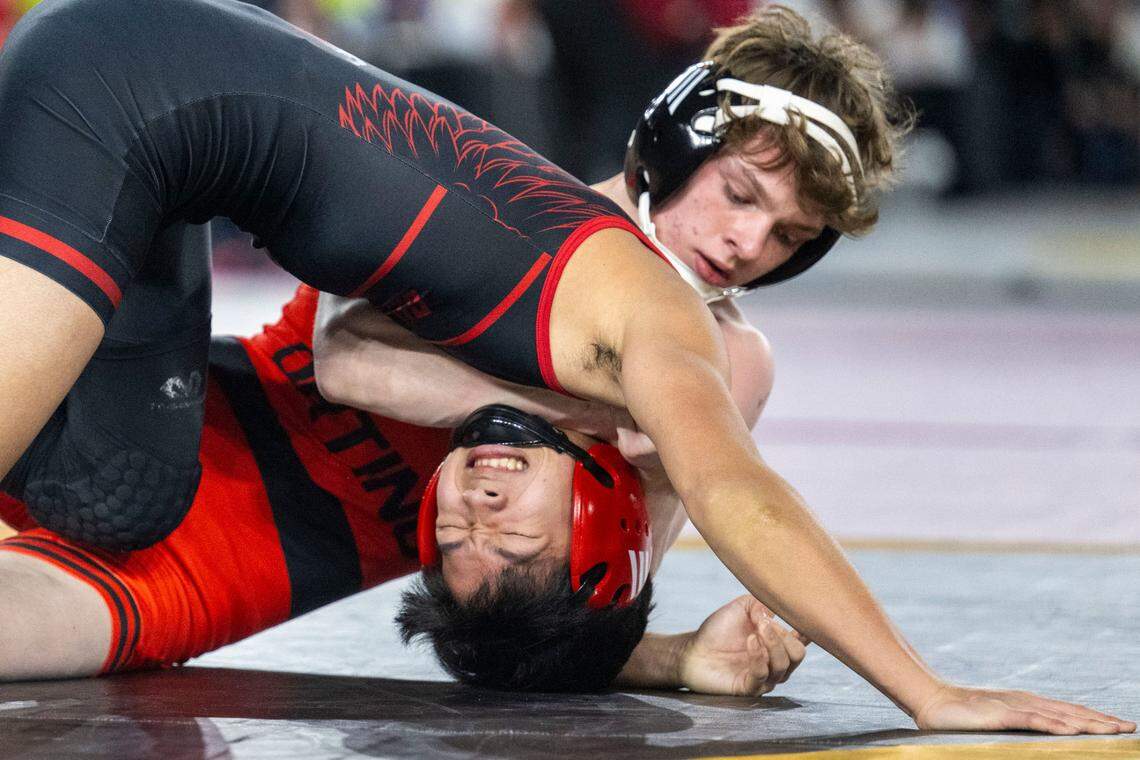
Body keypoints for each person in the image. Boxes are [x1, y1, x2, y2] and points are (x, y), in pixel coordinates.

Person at [0, 0, 1131, 733]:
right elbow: (352, 362)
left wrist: (677, 656)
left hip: (239, 559)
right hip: (189, 420)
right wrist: (926, 691)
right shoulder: (542, 240)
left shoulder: (725, 362)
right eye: (741, 196)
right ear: (679, 145)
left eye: (785, 237)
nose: (745, 245)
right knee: (119, 485)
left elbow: (591, 589)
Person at [0, 282, 806, 695]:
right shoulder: (636, 405)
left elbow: (518, 649)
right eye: (514, 538)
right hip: (107, 393)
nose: (475, 511)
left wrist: (675, 661)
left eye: (452, 541)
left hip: (174, 576)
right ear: (601, 515)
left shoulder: (615, 444)